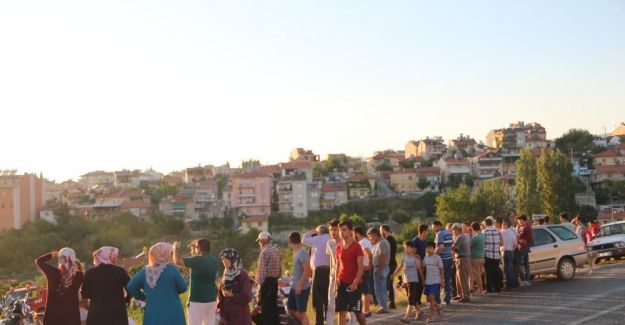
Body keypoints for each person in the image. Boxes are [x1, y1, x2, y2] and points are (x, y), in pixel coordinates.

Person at [127, 242, 187, 325]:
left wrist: (143, 298)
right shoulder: (171, 269)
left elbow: (131, 286)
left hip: (153, 311)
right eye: (170, 254)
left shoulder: (145, 271)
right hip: (172, 310)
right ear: (164, 254)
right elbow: (183, 287)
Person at [173, 239, 219, 325]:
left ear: (198, 248)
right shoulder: (214, 260)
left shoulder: (198, 259)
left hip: (197, 300)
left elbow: (177, 261)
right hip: (211, 299)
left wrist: (176, 248)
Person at [81, 246, 131, 325]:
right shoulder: (120, 271)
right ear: (110, 256)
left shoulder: (89, 273)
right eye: (115, 256)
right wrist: (126, 299)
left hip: (96, 314)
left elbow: (85, 294)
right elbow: (131, 288)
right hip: (117, 314)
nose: (116, 259)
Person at [36, 248, 84, 325]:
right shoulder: (79, 275)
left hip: (53, 316)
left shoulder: (52, 272)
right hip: (71, 317)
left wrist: (52, 254)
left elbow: (39, 261)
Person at [336, 221, 366, 325]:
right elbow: (338, 265)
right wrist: (336, 280)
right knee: (341, 312)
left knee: (357, 311)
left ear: (350, 231)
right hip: (341, 283)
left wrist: (355, 283)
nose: (341, 232)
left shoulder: (357, 246)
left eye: (344, 230)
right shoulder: (339, 247)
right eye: (340, 230)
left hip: (354, 285)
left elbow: (361, 267)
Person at [303, 225, 331, 325]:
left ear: (319, 232)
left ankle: (319, 321)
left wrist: (311, 231)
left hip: (319, 271)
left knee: (317, 297)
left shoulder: (317, 239)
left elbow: (304, 239)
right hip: (330, 270)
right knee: (328, 296)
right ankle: (329, 319)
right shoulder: (331, 238)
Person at [217, 248, 253, 325]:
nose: (224, 261)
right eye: (223, 259)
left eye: (227, 258)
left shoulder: (242, 274)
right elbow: (221, 294)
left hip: (239, 314)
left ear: (233, 259)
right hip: (227, 315)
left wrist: (232, 294)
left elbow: (247, 296)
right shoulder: (226, 274)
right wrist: (219, 308)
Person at [254, 231, 283, 325]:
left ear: (263, 240)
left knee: (265, 311)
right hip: (275, 282)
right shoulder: (277, 250)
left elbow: (261, 274)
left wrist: (259, 291)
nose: (259, 243)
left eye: (259, 241)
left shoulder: (264, 252)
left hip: (266, 283)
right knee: (273, 309)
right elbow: (280, 270)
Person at [391, 241, 424, 323]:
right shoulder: (404, 258)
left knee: (410, 299)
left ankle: (407, 317)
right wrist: (393, 275)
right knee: (412, 298)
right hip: (406, 282)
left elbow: (420, 270)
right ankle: (419, 311)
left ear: (412, 248)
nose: (405, 249)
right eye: (404, 248)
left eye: (407, 247)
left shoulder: (416, 258)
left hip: (414, 281)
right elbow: (399, 268)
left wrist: (423, 281)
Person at [286, 232, 312, 325]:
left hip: (301, 288)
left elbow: (307, 270)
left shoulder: (302, 252)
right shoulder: (296, 253)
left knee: (302, 313)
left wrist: (300, 285)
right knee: (291, 310)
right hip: (294, 286)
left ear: (290, 242)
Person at [367, 227, 390, 314]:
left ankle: (383, 307)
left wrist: (379, 269)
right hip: (381, 267)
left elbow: (383, 257)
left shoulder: (381, 243)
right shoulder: (382, 242)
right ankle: (383, 306)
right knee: (381, 288)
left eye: (371, 236)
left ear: (376, 235)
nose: (370, 238)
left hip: (381, 267)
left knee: (379, 288)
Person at [353, 226, 374, 318]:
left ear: (357, 233)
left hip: (364, 269)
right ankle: (366, 310)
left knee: (364, 292)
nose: (353, 235)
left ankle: (365, 311)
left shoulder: (363, 242)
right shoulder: (365, 241)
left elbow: (369, 253)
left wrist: (369, 265)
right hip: (365, 269)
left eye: (353, 234)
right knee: (365, 291)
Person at [431, 220, 453, 305]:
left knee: (437, 278)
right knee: (447, 279)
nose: (433, 229)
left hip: (442, 259)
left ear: (438, 225)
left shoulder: (439, 234)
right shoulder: (449, 232)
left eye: (433, 227)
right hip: (449, 258)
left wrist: (433, 254)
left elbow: (441, 247)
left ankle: (437, 299)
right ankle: (447, 298)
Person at [422, 242, 444, 324]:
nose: (428, 249)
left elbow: (441, 269)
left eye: (430, 247)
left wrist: (442, 281)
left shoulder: (437, 258)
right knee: (428, 300)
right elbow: (423, 267)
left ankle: (431, 316)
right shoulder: (425, 257)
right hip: (428, 281)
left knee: (431, 298)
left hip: (435, 281)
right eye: (427, 247)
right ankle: (438, 306)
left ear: (434, 248)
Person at [326, 219, 341, 325]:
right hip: (333, 275)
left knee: (346, 303)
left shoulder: (346, 242)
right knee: (330, 302)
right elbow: (331, 259)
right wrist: (331, 275)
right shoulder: (330, 243)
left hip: (344, 275)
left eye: (335, 229)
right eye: (331, 230)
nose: (332, 232)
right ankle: (330, 323)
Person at [451, 224, 471, 303]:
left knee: (462, 278)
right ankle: (460, 294)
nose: (453, 231)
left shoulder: (460, 237)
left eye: (454, 230)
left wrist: (451, 247)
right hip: (463, 258)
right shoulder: (465, 236)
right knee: (458, 278)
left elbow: (455, 248)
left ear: (458, 230)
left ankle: (465, 296)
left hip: (461, 258)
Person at [483, 218, 503, 293]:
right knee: (496, 271)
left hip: (488, 254)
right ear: (492, 223)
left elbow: (483, 243)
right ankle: (498, 287)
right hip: (496, 254)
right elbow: (501, 243)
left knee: (488, 272)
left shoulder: (484, 232)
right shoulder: (498, 231)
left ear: (485, 224)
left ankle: (489, 288)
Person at [380, 225, 397, 309]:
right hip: (392, 264)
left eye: (380, 230)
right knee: (389, 285)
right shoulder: (391, 239)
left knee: (386, 284)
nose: (380, 232)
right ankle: (391, 303)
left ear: (383, 230)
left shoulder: (387, 240)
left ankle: (385, 304)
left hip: (389, 264)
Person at [411, 225, 429, 305]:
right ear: (424, 231)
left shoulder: (424, 240)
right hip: (417, 265)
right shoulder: (415, 241)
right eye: (427, 231)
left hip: (424, 264)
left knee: (423, 282)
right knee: (418, 283)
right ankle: (416, 299)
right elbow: (413, 253)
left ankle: (418, 299)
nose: (428, 233)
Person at [500, 219, 518, 289]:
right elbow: (515, 244)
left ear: (505, 225)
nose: (501, 226)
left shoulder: (502, 232)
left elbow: (500, 242)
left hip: (505, 251)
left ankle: (509, 284)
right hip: (511, 251)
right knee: (510, 268)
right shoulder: (512, 232)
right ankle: (513, 283)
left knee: (506, 269)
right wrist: (512, 249)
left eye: (502, 224)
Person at [516, 215, 533, 286]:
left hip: (523, 248)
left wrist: (517, 231)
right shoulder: (526, 227)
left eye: (519, 221)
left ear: (522, 220)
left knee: (517, 264)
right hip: (525, 247)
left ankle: (524, 279)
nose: (519, 222)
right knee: (526, 264)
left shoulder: (526, 228)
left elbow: (520, 238)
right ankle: (526, 280)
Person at [469, 223, 485, 296]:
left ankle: (480, 291)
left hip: (475, 258)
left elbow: (468, 246)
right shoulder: (483, 235)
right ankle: (476, 289)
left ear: (472, 228)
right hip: (482, 257)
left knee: (477, 275)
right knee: (478, 274)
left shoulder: (475, 237)